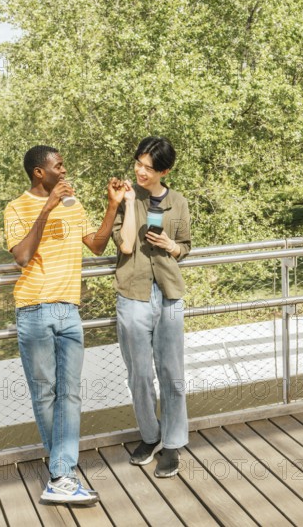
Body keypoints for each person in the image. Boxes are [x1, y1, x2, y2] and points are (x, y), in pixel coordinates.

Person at [4, 145, 126, 504]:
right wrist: (47, 208)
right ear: (39, 173)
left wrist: (113, 205)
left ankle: (60, 475)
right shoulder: (16, 208)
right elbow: (23, 256)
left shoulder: (75, 206)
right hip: (34, 310)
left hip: (70, 311)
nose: (64, 169)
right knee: (46, 394)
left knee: (70, 395)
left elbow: (98, 245)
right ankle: (62, 475)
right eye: (58, 166)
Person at [112, 136, 191, 478]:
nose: (141, 171)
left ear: (165, 170)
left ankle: (172, 444)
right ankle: (150, 435)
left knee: (172, 373)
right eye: (138, 164)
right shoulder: (126, 197)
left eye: (148, 167)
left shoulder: (179, 202)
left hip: (170, 294)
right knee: (140, 374)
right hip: (133, 293)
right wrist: (130, 203)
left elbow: (185, 246)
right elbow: (127, 245)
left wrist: (172, 245)